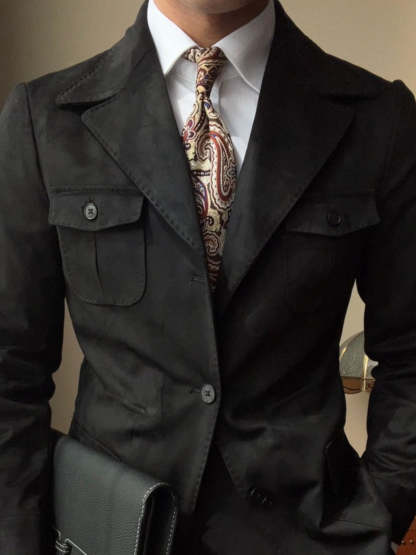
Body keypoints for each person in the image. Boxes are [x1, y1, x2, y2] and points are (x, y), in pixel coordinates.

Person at [0, 0, 414, 552]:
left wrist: (379, 513)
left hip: (309, 534)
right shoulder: (45, 118)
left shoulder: (378, 119)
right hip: (111, 533)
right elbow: (9, 366)